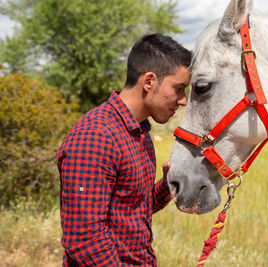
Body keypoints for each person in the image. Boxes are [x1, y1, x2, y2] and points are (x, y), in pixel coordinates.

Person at [57, 33, 192, 266]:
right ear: (149, 81)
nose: (183, 100)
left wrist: (167, 184)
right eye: (179, 88)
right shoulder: (95, 136)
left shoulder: (139, 132)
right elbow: (84, 239)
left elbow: (132, 207)